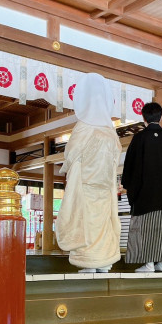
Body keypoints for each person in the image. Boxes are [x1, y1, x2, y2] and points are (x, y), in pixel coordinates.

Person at [55, 73, 122, 273]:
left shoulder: (83, 127)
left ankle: (88, 261)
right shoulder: (110, 131)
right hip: (104, 184)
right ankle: (104, 261)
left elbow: (71, 154)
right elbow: (115, 157)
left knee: (84, 221)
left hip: (85, 183)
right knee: (103, 220)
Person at [121, 102, 162, 272]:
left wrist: (129, 187)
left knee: (145, 227)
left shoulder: (139, 138)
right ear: (161, 117)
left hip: (144, 196)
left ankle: (148, 264)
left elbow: (129, 167)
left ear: (143, 117)